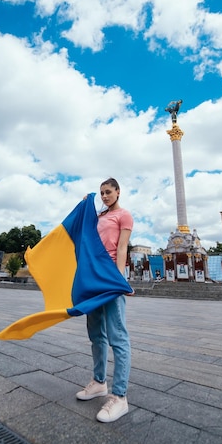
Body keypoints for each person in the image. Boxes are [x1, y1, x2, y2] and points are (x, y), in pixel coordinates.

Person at [76, 177, 133, 423]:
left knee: (117, 336)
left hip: (109, 277)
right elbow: (84, 239)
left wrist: (118, 280)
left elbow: (122, 249)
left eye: (108, 192)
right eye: (101, 193)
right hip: (93, 278)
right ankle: (99, 382)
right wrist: (83, 208)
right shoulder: (98, 217)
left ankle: (120, 397)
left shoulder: (124, 216)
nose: (105, 196)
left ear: (118, 192)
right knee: (96, 334)